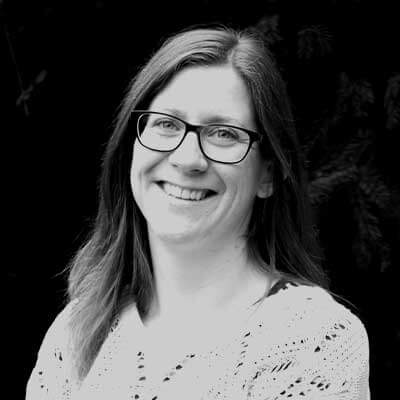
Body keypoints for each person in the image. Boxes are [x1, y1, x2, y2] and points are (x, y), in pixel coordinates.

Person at [26, 25, 370, 399]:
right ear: (130, 149)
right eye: (166, 124)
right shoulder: (77, 333)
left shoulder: (312, 340)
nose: (188, 159)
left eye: (223, 133)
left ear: (267, 174)